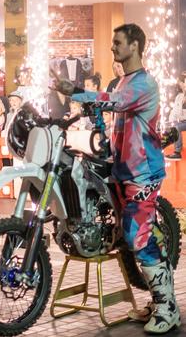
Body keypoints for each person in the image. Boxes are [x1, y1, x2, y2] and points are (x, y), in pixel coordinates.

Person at [55, 23, 179, 334]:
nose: (113, 48)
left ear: (135, 45)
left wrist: (78, 92)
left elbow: (114, 102)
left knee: (139, 235)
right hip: (121, 168)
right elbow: (110, 108)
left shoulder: (144, 84)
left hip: (143, 172)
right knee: (131, 236)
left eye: (118, 42)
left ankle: (168, 308)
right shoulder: (123, 81)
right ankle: (158, 300)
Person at [166, 72, 186, 160]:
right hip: (182, 121)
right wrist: (170, 122)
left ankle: (177, 152)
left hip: (183, 121)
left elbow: (182, 115)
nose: (182, 85)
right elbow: (174, 113)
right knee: (170, 125)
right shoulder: (179, 96)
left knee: (176, 126)